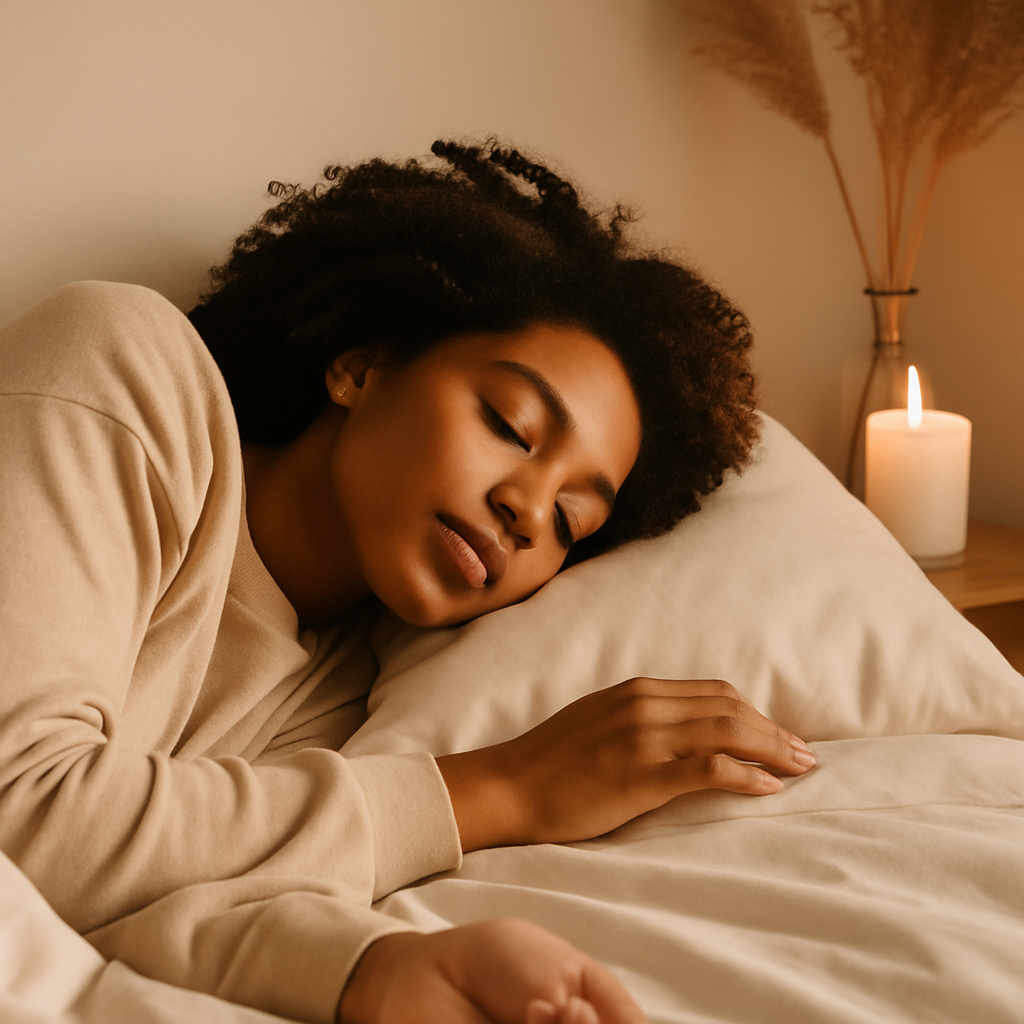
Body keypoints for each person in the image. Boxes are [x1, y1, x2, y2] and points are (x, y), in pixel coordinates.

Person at [0, 140, 817, 1024]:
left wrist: (381, 970)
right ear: (361, 367)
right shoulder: (126, 367)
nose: (527, 512)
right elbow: (23, 813)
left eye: (572, 521)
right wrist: (504, 788)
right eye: (511, 423)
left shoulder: (347, 686)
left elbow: (130, 908)